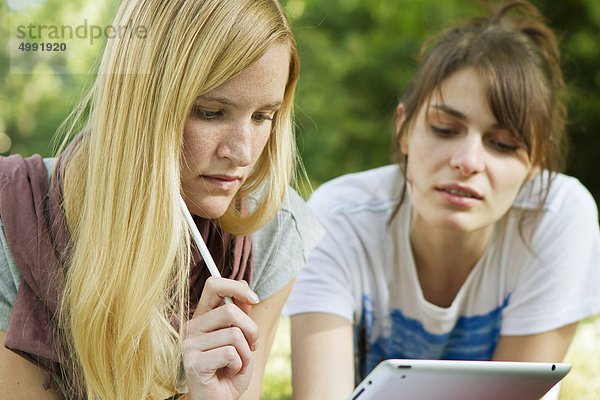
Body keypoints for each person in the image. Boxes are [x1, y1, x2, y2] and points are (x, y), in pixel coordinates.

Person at [0, 0, 324, 399]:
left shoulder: (270, 224)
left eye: (262, 117)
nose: (242, 153)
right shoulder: (15, 221)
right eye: (210, 111)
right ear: (141, 106)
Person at [284, 1, 600, 399]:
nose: (467, 162)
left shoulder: (557, 216)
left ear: (536, 161)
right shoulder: (336, 218)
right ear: (404, 129)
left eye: (502, 144)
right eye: (445, 128)